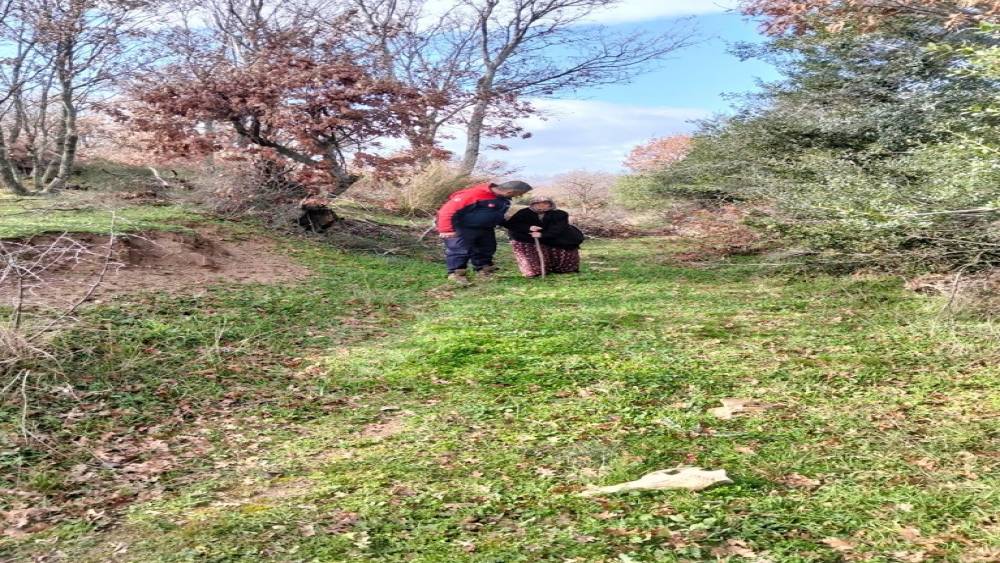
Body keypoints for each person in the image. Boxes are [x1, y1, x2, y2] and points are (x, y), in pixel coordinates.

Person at [436, 180, 534, 285]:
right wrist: (446, 229)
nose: (519, 196)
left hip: (486, 228)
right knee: (460, 250)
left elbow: (497, 214)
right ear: (511, 191)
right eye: (519, 194)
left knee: (486, 249)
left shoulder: (502, 199)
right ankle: (456, 274)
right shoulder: (473, 195)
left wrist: (523, 227)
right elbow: (447, 211)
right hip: (463, 228)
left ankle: (484, 270)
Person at [504, 196, 584, 278]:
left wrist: (542, 235)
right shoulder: (524, 212)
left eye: (545, 203)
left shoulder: (560, 214)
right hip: (528, 237)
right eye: (537, 203)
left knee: (565, 248)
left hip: (555, 236)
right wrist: (529, 228)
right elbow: (511, 224)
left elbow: (558, 228)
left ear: (550, 204)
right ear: (532, 204)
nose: (541, 206)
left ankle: (563, 269)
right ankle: (535, 271)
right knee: (529, 250)